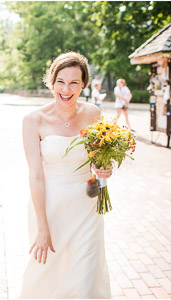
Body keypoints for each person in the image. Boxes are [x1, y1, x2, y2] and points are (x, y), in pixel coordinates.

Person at [20, 52, 112, 298]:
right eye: (60, 81)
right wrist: (42, 228)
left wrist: (105, 171)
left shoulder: (92, 114)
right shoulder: (33, 120)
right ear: (51, 82)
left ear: (83, 84)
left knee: (85, 277)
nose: (66, 89)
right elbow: (36, 177)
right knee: (49, 276)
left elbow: (97, 164)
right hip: (51, 208)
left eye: (74, 82)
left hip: (87, 208)